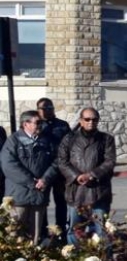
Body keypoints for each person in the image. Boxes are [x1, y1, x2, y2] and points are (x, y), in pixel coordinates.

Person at [56, 107, 116, 243]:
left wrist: (92, 175)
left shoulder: (106, 139)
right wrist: (76, 176)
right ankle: (74, 260)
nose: (91, 122)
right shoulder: (69, 139)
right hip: (75, 192)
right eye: (87, 119)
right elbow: (62, 161)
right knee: (74, 230)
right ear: (81, 121)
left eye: (94, 119)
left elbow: (109, 162)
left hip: (98, 193)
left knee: (101, 230)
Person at [1, 111, 58, 244]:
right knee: (14, 233)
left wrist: (45, 179)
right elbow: (9, 165)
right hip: (18, 196)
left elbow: (56, 162)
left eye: (41, 122)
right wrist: (31, 182)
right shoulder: (13, 141)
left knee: (35, 236)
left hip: (39, 196)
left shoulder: (47, 140)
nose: (40, 125)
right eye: (37, 122)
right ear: (25, 124)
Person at [36, 98, 71, 241]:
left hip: (60, 171)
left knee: (61, 202)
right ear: (38, 110)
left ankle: (61, 231)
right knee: (42, 203)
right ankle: (42, 233)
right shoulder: (36, 125)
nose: (47, 111)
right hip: (43, 172)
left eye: (50, 108)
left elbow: (69, 146)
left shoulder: (62, 125)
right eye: (43, 108)